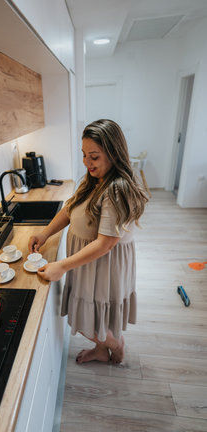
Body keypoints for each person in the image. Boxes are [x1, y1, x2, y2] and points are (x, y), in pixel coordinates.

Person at [28, 119, 148, 364]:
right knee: (93, 317)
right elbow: (69, 210)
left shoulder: (116, 190)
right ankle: (102, 349)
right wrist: (45, 233)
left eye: (94, 156)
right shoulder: (93, 179)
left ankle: (116, 345)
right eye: (84, 154)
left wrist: (61, 266)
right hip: (89, 263)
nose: (86, 162)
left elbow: (105, 244)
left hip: (104, 265)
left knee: (86, 322)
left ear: (114, 153)